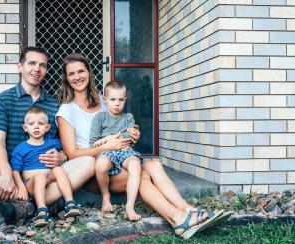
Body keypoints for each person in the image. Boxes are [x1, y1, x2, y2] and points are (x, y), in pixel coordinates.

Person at [56, 53, 232, 239]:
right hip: (96, 170)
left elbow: (120, 128)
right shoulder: (66, 110)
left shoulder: (104, 100)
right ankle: (177, 219)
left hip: (120, 159)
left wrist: (133, 134)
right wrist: (107, 145)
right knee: (142, 173)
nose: (77, 77)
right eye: (71, 73)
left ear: (89, 72)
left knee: (154, 164)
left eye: (81, 71)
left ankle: (189, 209)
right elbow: (72, 153)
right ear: (66, 78)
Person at [0, 47, 95, 224]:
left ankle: (24, 207)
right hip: (15, 173)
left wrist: (62, 156)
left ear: (46, 70)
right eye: (32, 63)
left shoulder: (53, 103)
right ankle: (44, 205)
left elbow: (64, 142)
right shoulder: (4, 99)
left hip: (46, 174)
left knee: (88, 162)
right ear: (19, 66)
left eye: (42, 65)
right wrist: (5, 173)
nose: (37, 69)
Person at [11, 107, 81, 227]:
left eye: (41, 123)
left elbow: (68, 148)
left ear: (47, 127)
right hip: (31, 183)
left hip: (49, 178)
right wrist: (21, 187)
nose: (36, 127)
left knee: (58, 169)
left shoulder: (53, 143)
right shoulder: (20, 148)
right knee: (39, 177)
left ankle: (70, 203)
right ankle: (42, 210)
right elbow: (15, 170)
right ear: (25, 128)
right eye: (31, 124)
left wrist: (63, 154)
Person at [89, 80, 143, 221]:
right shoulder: (99, 118)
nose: (117, 103)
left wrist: (108, 137)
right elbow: (93, 143)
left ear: (125, 100)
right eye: (113, 99)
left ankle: (129, 207)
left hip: (125, 150)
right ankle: (106, 196)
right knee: (100, 165)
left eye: (120, 100)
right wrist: (107, 142)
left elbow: (130, 136)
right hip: (107, 152)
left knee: (135, 165)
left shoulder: (128, 117)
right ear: (105, 100)